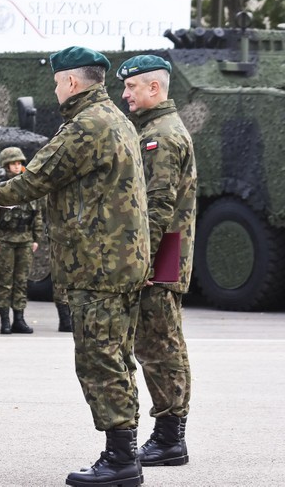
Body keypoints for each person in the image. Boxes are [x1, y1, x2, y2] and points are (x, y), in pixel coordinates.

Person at [0, 46, 150, 487]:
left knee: (99, 358)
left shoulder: (86, 126)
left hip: (99, 265)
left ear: (69, 82)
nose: (55, 89)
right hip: (121, 262)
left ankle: (121, 460)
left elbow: (34, 179)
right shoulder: (118, 119)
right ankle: (123, 451)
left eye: (55, 82)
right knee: (118, 356)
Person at [117, 54, 196, 467]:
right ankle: (170, 435)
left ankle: (169, 438)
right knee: (161, 343)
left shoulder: (160, 135)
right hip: (164, 249)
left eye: (132, 87)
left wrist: (143, 261)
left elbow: (158, 204)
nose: (125, 93)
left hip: (161, 251)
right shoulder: (154, 128)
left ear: (155, 88)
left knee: (159, 345)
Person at [0, 147, 43, 334]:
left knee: (21, 280)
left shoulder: (28, 187)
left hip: (25, 239)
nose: (17, 167)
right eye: (13, 163)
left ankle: (19, 319)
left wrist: (36, 238)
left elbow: (37, 214)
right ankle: (5, 321)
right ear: (5, 165)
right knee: (5, 281)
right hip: (5, 240)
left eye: (19, 163)